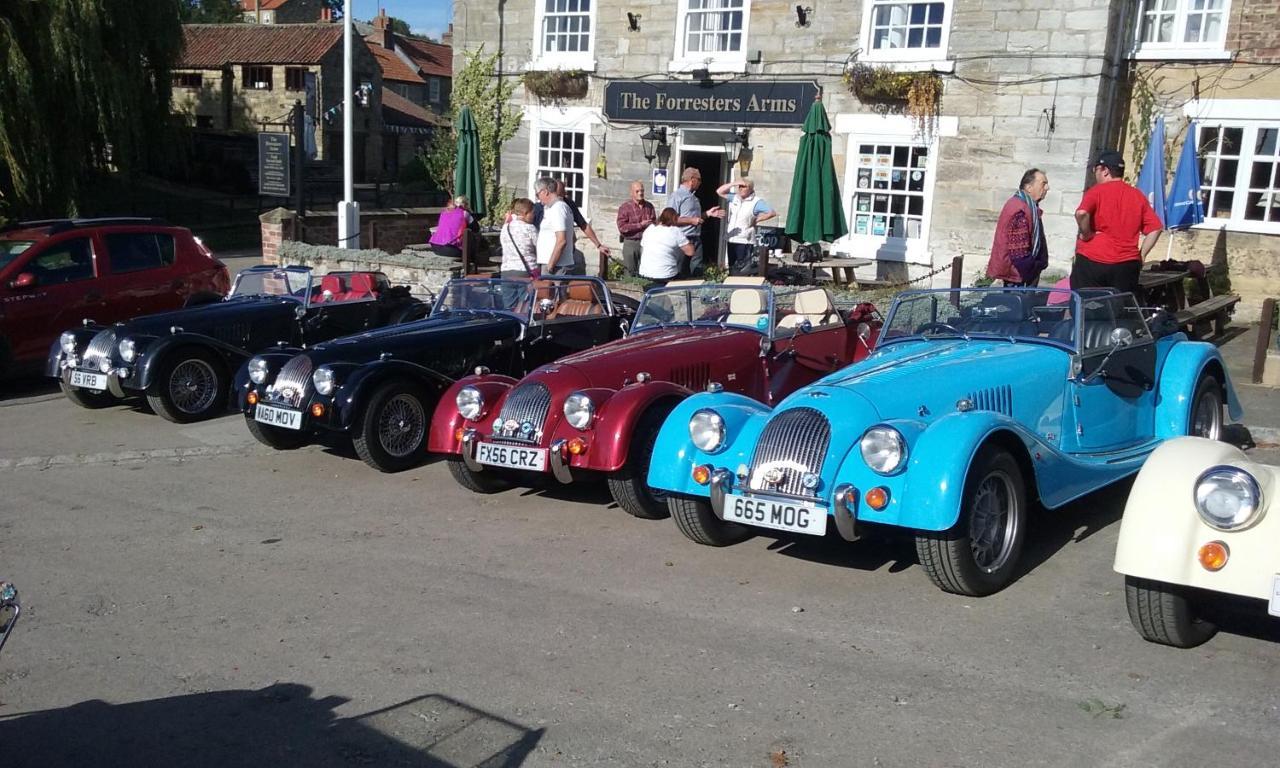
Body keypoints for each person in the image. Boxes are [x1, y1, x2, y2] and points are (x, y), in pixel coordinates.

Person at [1071, 149, 1163, 294]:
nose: (1095, 174)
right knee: (1118, 309)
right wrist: (1142, 254)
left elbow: (1081, 213)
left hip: (1093, 259)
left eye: (1095, 170)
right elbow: (1156, 228)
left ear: (1105, 171)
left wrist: (1086, 233)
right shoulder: (1137, 196)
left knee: (1086, 307)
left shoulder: (1096, 191)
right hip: (1127, 264)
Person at [986, 169, 1051, 287]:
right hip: (1018, 277)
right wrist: (1033, 269)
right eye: (1043, 183)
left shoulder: (1027, 206)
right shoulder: (1019, 209)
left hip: (1020, 275)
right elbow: (1019, 252)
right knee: (1017, 305)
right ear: (1029, 187)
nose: (1047, 188)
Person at [533, 178, 611, 270]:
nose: (562, 196)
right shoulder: (541, 206)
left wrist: (598, 245)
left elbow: (583, 225)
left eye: (563, 194)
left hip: (556, 263)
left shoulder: (562, 206)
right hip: (544, 258)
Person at [668, 167, 723, 277]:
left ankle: (695, 291)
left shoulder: (694, 198)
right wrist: (691, 220)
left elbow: (697, 218)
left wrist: (708, 214)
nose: (700, 183)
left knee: (697, 270)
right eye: (699, 180)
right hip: (683, 239)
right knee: (680, 269)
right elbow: (670, 219)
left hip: (696, 239)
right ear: (692, 180)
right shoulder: (677, 196)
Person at [714, 177, 776, 275]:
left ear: (750, 188)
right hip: (732, 238)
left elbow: (771, 212)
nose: (740, 188)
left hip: (745, 240)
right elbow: (719, 191)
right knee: (732, 267)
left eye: (744, 186)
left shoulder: (756, 202)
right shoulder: (735, 198)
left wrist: (757, 219)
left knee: (742, 269)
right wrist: (733, 183)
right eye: (739, 186)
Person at [638, 207, 694, 287]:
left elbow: (642, 248)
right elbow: (690, 251)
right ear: (674, 219)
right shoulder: (675, 231)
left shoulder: (649, 229)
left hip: (644, 273)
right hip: (665, 276)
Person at [534, 176, 579, 275]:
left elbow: (562, 240)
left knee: (553, 290)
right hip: (553, 264)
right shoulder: (552, 208)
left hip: (557, 266)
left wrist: (550, 265)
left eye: (538, 194)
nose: (537, 198)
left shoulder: (558, 208)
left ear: (545, 191)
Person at [615, 180, 656, 275]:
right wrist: (640, 225)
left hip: (646, 244)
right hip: (631, 243)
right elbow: (622, 227)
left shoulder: (649, 206)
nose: (640, 193)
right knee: (630, 273)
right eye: (637, 191)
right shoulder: (625, 207)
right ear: (631, 193)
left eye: (642, 191)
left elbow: (654, 223)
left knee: (646, 272)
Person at [428, 195, 479, 259]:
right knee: (472, 243)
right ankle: (473, 266)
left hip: (435, 246)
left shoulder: (444, 212)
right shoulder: (464, 213)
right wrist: (470, 212)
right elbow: (476, 228)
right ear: (465, 205)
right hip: (451, 248)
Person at [500, 197, 539, 279]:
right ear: (525, 213)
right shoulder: (530, 228)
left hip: (506, 270)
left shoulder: (505, 227)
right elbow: (539, 247)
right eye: (532, 213)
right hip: (526, 270)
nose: (534, 215)